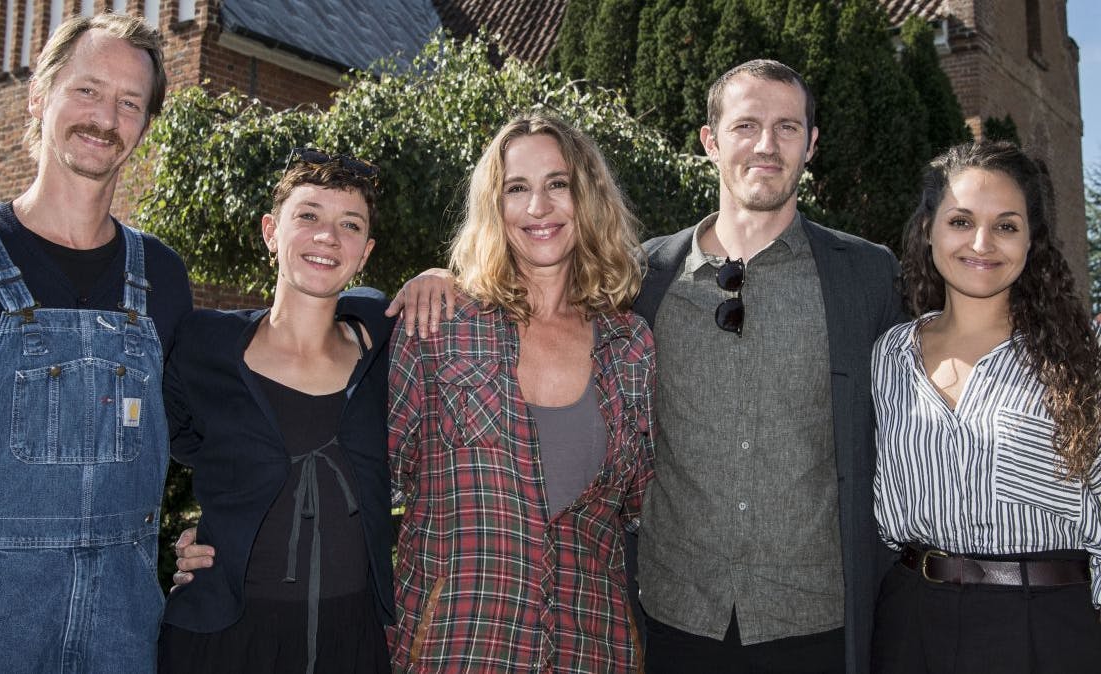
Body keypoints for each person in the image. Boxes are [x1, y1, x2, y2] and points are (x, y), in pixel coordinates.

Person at [389, 60, 907, 673]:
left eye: (787, 127)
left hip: (813, 623)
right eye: (746, 125)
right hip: (667, 624)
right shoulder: (646, 281)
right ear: (710, 142)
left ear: (812, 143)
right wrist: (437, 278)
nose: (766, 145)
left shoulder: (865, 277)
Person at [0, 13, 192, 674]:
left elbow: (226, 421)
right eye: (87, 91)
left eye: (128, 103)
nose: (105, 118)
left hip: (120, 639)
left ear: (144, 126)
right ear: (41, 95)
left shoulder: (162, 280)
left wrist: (222, 536)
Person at [383, 113, 655, 672]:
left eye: (558, 184)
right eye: (517, 189)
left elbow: (650, 507)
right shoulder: (440, 327)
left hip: (591, 648)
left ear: (587, 199)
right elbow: (365, 479)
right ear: (494, 205)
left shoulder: (631, 347)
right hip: (456, 646)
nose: (539, 208)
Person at [157, 149, 394, 674]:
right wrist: (218, 525)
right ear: (271, 231)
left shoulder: (387, 346)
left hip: (353, 639)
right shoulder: (203, 345)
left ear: (365, 251)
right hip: (222, 638)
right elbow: (162, 445)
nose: (327, 236)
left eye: (349, 225)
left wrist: (438, 277)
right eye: (307, 215)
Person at [871, 141, 1101, 672]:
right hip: (911, 623)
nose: (982, 243)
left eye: (1006, 225)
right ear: (929, 229)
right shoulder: (889, 355)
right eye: (960, 221)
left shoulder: (1078, 359)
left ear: (1030, 240)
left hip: (1045, 627)